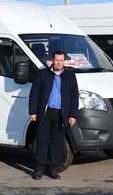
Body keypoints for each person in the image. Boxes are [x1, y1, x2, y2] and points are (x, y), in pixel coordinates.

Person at [28, 50, 79, 180]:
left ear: (64, 62)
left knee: (57, 143)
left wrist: (73, 115)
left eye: (61, 60)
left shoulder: (70, 76)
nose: (58, 63)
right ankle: (39, 169)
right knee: (42, 141)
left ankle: (53, 169)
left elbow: (74, 96)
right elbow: (34, 94)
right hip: (45, 113)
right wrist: (33, 111)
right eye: (56, 60)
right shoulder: (42, 74)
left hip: (61, 114)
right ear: (52, 60)